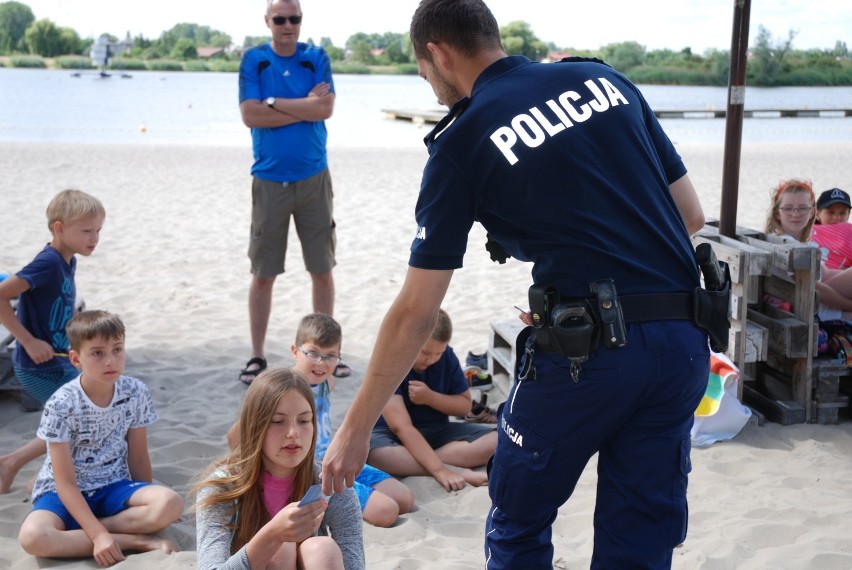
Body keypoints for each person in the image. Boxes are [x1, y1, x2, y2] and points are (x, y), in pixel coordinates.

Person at [321, 1, 711, 568]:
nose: (429, 86)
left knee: (518, 518)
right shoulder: (604, 79)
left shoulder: (462, 140)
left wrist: (355, 429)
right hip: (681, 341)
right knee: (643, 529)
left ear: (437, 53)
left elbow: (416, 312)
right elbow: (690, 215)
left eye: (423, 71)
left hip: (586, 359)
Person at [237, 0, 347, 384]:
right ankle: (256, 356)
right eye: (280, 18)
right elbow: (250, 115)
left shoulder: (316, 57)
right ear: (267, 21)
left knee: (322, 268)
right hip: (269, 180)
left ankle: (329, 352)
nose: (288, 25)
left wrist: (274, 103)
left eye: (294, 18)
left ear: (301, 20)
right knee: (264, 273)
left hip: (314, 178)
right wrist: (304, 106)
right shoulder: (255, 61)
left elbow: (326, 109)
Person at [17, 310, 183, 565]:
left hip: (111, 485)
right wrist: (99, 535)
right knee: (33, 537)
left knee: (170, 503)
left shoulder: (135, 391)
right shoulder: (61, 404)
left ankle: (87, 532)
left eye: (117, 349)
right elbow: (65, 484)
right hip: (63, 492)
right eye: (97, 353)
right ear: (76, 359)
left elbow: (138, 456)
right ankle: (131, 541)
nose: (110, 361)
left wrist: (150, 506)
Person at [226, 313, 414, 527]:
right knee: (387, 512)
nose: (321, 363)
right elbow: (235, 434)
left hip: (334, 456)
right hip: (309, 468)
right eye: (313, 353)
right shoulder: (280, 389)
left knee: (405, 499)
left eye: (330, 356)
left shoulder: (327, 382)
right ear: (295, 351)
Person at [195, 368, 365, 570]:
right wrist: (272, 534)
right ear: (254, 427)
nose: (293, 433)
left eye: (304, 421)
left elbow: (355, 564)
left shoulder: (326, 484)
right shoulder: (221, 488)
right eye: (278, 422)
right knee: (280, 547)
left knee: (322, 549)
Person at [0, 189, 105, 494]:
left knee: (82, 415)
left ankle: (15, 464)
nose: (94, 237)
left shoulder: (67, 260)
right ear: (59, 228)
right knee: (75, 420)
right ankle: (37, 478)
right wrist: (28, 340)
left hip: (59, 361)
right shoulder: (47, 262)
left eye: (98, 230)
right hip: (38, 366)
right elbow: (2, 295)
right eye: (86, 230)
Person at [368, 309, 496, 491]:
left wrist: (430, 398)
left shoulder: (447, 356)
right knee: (378, 455)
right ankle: (452, 468)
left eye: (439, 353)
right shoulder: (391, 359)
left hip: (437, 430)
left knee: (496, 440)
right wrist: (440, 471)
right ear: (409, 341)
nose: (433, 359)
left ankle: (420, 460)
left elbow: (464, 407)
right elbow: (401, 427)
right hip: (390, 435)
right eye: (426, 352)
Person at [765, 179, 852, 320]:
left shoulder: (794, 243)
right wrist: (849, 306)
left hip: (810, 304)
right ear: (777, 213)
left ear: (812, 212)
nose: (795, 213)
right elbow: (815, 291)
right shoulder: (788, 246)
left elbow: (827, 274)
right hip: (807, 311)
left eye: (802, 208)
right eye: (788, 208)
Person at [812, 187, 852, 270]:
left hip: (839, 280)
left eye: (842, 213)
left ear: (848, 215)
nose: (836, 217)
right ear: (817, 213)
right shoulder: (805, 231)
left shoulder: (850, 236)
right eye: (830, 212)